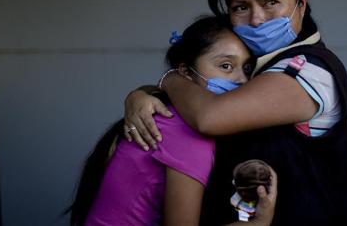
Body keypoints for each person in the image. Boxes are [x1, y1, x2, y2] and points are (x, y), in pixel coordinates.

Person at [124, 0, 347, 225]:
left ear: (301, 3)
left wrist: (170, 79)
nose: (257, 20)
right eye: (241, 7)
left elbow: (210, 116)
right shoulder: (253, 68)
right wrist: (142, 94)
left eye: (270, 2)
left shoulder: (310, 71)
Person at [67, 16, 277, 226]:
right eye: (225, 66)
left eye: (247, 68)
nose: (242, 79)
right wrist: (258, 223)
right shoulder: (185, 130)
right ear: (186, 72)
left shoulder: (168, 115)